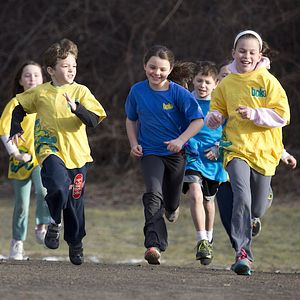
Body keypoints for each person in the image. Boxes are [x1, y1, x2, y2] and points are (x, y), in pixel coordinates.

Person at [8, 39, 107, 265]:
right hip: (49, 149)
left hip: (78, 155)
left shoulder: (81, 91)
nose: (71, 70)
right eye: (65, 66)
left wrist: (77, 109)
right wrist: (15, 127)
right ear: (51, 70)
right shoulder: (40, 93)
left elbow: (94, 120)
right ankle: (54, 220)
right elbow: (18, 106)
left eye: (73, 65)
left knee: (75, 202)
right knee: (58, 186)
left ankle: (75, 242)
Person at [206, 30, 290, 275]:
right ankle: (243, 253)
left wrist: (255, 114)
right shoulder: (228, 82)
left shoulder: (268, 81)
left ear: (259, 54)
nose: (246, 56)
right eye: (242, 51)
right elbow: (217, 109)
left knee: (257, 208)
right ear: (234, 53)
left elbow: (283, 116)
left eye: (252, 52)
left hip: (264, 151)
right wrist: (214, 117)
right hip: (235, 148)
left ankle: (261, 206)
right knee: (241, 197)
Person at [125, 45, 204, 265]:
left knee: (170, 200)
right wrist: (134, 143)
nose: (156, 73)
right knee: (152, 194)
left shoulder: (178, 93)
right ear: (144, 66)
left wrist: (180, 141)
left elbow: (198, 120)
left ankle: (172, 207)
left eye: (161, 69)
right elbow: (131, 119)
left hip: (176, 154)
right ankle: (154, 244)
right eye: (152, 67)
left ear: (169, 70)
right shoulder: (137, 91)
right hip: (150, 152)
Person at [0, 60, 51, 260]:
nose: (32, 79)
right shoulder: (14, 103)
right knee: (21, 205)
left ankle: (42, 225)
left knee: (44, 190)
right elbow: (4, 131)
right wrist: (16, 153)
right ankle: (17, 243)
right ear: (20, 80)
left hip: (41, 157)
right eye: (27, 75)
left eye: (36, 75)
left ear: (43, 79)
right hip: (20, 160)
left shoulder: (46, 102)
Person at [182, 61, 228, 266]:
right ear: (193, 80)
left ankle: (209, 238)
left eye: (207, 82)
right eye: (199, 80)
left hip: (213, 158)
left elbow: (231, 131)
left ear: (216, 83)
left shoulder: (221, 104)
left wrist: (219, 147)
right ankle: (201, 239)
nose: (202, 85)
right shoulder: (186, 101)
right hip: (192, 155)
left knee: (209, 201)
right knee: (195, 193)